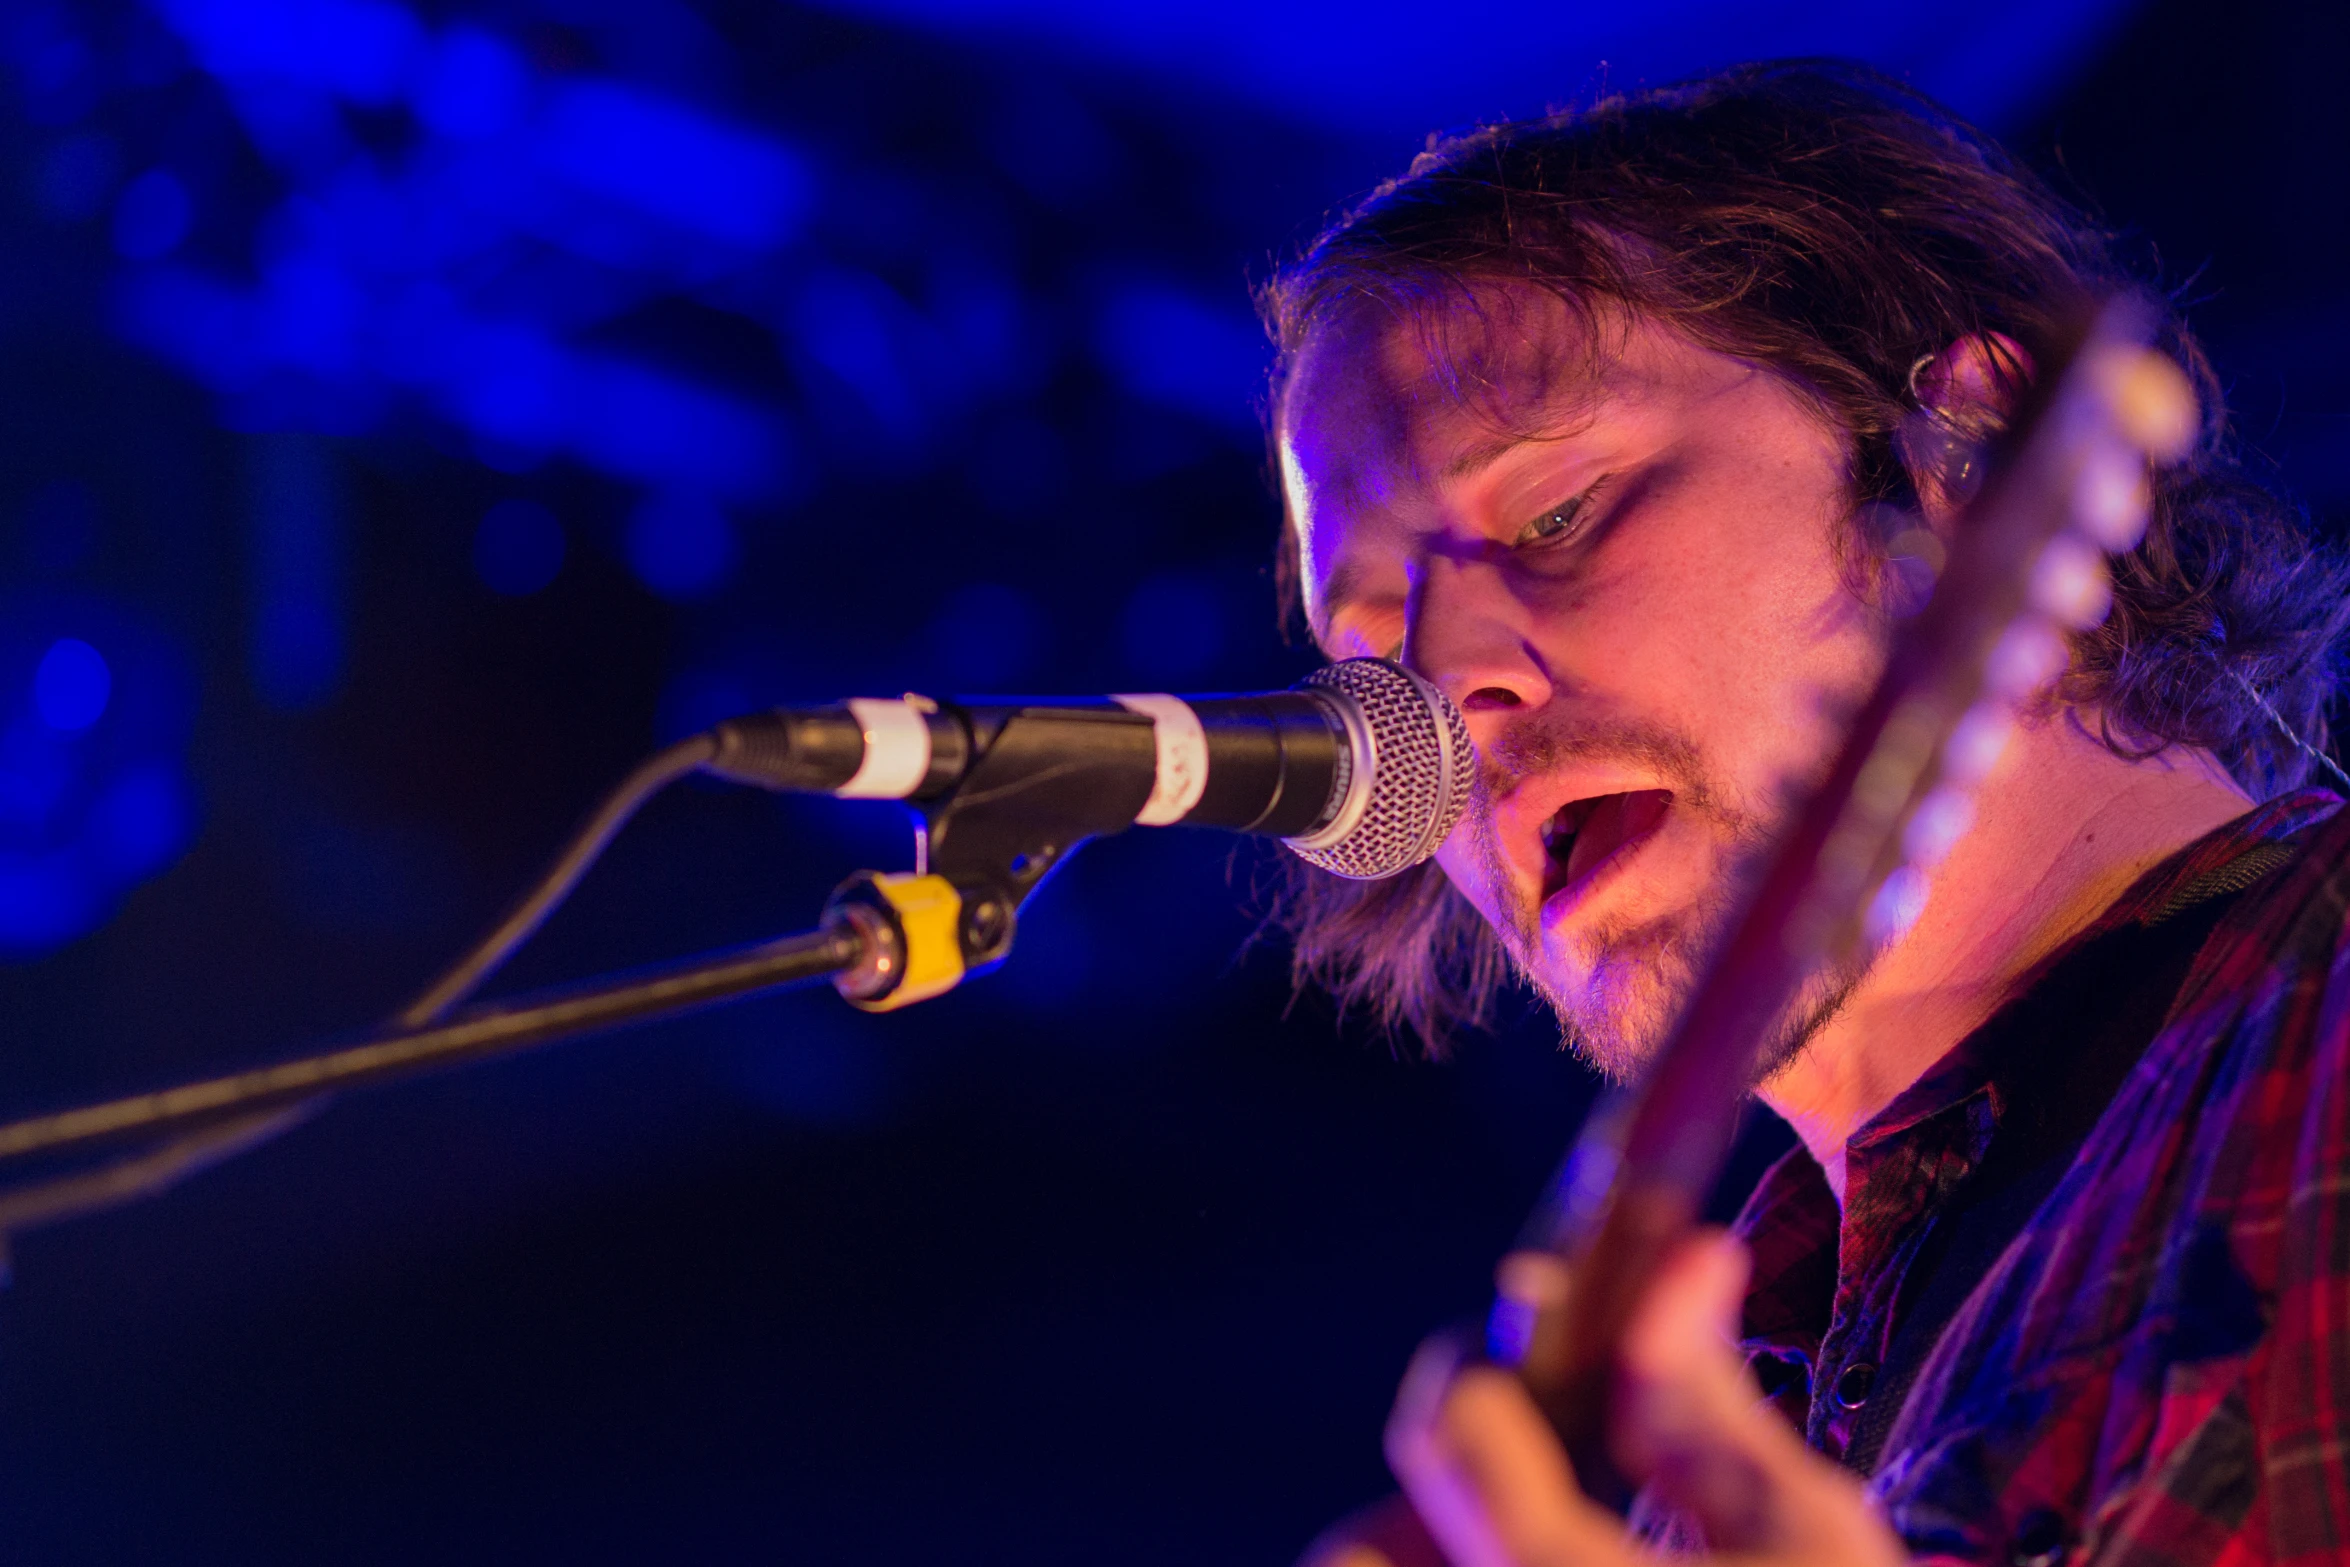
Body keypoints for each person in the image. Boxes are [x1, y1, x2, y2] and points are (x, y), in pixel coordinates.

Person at [1262, 61, 2350, 1567]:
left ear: (1961, 452)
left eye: (1556, 514)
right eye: (1372, 643)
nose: (1441, 695)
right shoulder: (1705, 1439)